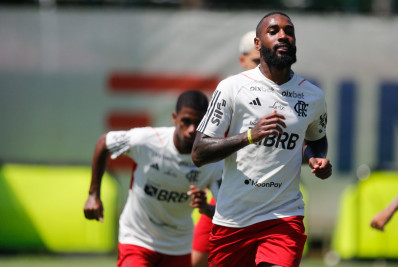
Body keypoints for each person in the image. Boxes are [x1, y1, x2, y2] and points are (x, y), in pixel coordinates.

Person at [191, 11, 332, 267]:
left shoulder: (313, 96)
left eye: (289, 31)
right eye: (274, 31)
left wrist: (317, 158)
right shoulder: (232, 88)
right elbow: (199, 152)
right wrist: (249, 136)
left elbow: (317, 139)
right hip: (233, 218)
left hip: (284, 216)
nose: (283, 36)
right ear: (258, 43)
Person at [83, 90, 223, 267]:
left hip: (178, 246)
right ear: (175, 118)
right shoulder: (147, 141)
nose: (191, 130)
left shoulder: (213, 162)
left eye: (199, 123)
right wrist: (93, 194)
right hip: (137, 239)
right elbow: (104, 142)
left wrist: (204, 207)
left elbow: (225, 213)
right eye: (186, 121)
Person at [191, 30, 260, 267]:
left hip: (259, 206)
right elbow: (201, 148)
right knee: (194, 262)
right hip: (222, 203)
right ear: (242, 60)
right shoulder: (230, 92)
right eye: (256, 61)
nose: (261, 68)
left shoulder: (280, 97)